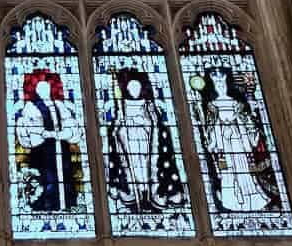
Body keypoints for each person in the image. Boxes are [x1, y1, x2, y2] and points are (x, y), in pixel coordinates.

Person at [196, 68, 281, 213]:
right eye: (217, 84)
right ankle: (231, 200)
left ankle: (253, 199)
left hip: (239, 143)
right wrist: (216, 133)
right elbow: (211, 129)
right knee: (228, 174)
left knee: (245, 173)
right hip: (224, 145)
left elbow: (248, 126)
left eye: (223, 84)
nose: (220, 86)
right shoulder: (212, 106)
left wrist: (246, 126)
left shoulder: (238, 104)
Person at [105, 73, 185, 214]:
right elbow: (115, 131)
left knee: (149, 170)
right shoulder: (121, 108)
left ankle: (150, 195)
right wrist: (122, 126)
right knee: (133, 170)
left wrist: (142, 123)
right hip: (129, 145)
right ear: (127, 90)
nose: (135, 91)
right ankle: (136, 194)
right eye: (131, 88)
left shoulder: (150, 107)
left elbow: (157, 127)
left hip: (148, 146)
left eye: (137, 87)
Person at [14, 76, 82, 213]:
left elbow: (70, 124)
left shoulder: (59, 105)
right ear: (38, 92)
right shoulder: (31, 107)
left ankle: (67, 204)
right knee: (46, 177)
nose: (44, 92)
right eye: (41, 89)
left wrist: (61, 134)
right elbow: (30, 128)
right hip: (42, 150)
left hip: (61, 147)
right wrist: (45, 134)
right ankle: (46, 207)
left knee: (65, 175)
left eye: (47, 89)